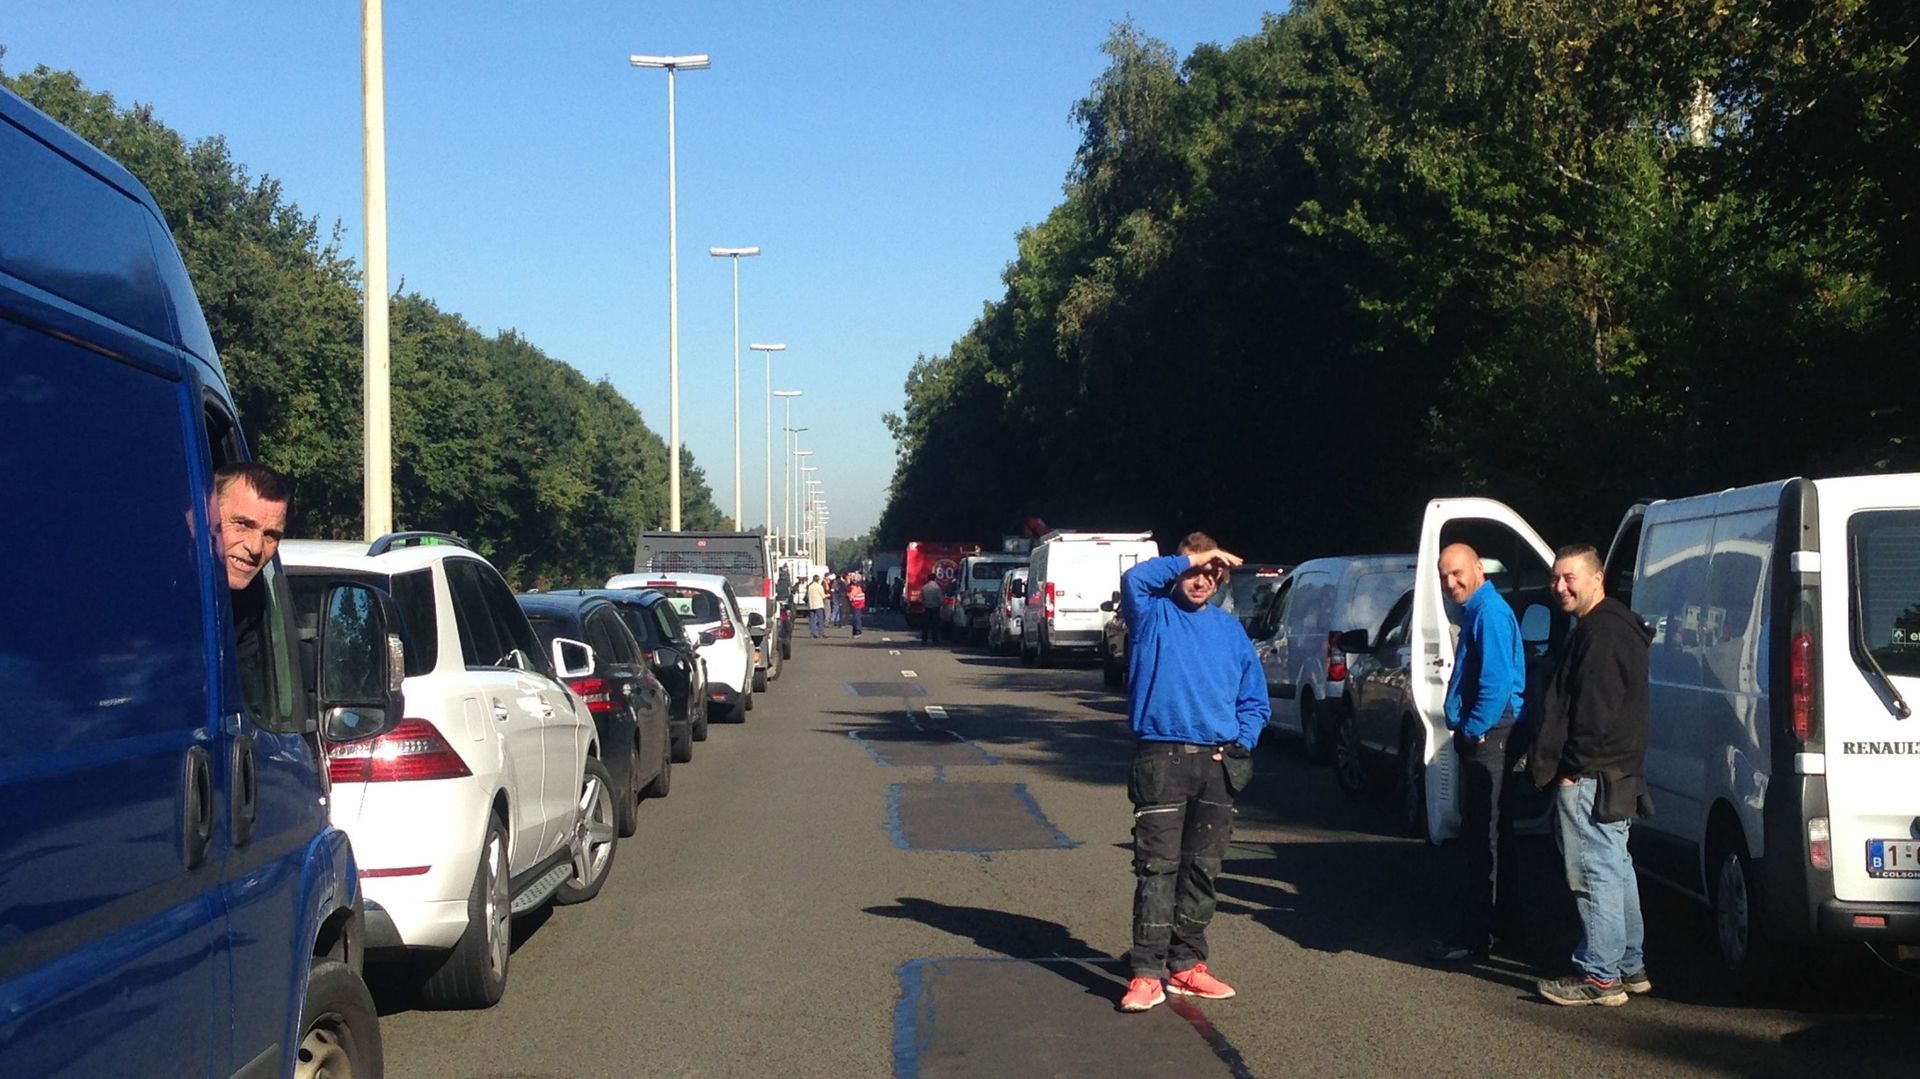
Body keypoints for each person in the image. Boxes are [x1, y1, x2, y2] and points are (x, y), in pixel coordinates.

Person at [1118, 533, 1269, 1014]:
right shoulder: (1151, 615)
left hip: (1216, 762)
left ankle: (1186, 965)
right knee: (1157, 869)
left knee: (1202, 869)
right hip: (1161, 757)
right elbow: (1134, 579)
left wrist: (1242, 740)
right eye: (1194, 570)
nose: (1201, 579)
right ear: (1179, 569)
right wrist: (1195, 555)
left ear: (1220, 580)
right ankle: (1146, 972)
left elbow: (1255, 699)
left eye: (1211, 573)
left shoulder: (1230, 631)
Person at [1529, 544, 1653, 1007]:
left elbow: (1593, 713)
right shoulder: (1619, 624)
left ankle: (1599, 975)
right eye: (1555, 579)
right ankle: (1628, 965)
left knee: (1593, 873)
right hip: (1618, 771)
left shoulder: (1599, 634)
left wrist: (1570, 769)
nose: (1559, 587)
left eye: (1569, 577)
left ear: (1596, 578)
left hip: (1591, 776)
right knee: (1618, 869)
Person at [1431, 542, 1526, 963]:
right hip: (1493, 734)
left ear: (1478, 569)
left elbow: (1496, 683)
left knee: (1482, 838)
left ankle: (1476, 938)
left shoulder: (1488, 613)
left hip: (1491, 736)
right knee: (1494, 836)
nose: (1451, 583)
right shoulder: (1481, 611)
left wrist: (1472, 731)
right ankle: (1504, 930)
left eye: (1457, 573)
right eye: (1444, 576)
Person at [215, 462, 291, 717]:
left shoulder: (252, 606)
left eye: (271, 535)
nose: (256, 548)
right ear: (197, 516)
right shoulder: (148, 588)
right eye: (242, 525)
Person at [920, 577, 943, 644]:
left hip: (927, 608)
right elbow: (940, 598)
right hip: (935, 608)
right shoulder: (937, 588)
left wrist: (924, 604)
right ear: (935, 579)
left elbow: (921, 598)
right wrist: (940, 603)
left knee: (925, 625)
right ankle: (935, 639)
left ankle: (924, 639)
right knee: (935, 624)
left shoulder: (924, 587)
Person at [847, 573, 866, 637]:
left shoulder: (855, 586)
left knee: (856, 618)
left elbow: (851, 596)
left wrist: (848, 595)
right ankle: (856, 631)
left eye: (853, 577)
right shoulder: (860, 585)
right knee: (857, 618)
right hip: (859, 604)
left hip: (856, 604)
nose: (851, 578)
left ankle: (857, 631)